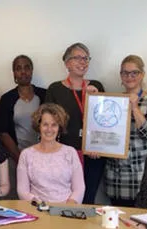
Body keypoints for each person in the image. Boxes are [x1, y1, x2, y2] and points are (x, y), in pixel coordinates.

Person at [45, 42, 105, 204]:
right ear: (66, 63)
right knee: (65, 198)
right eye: (77, 58)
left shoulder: (96, 86)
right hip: (64, 155)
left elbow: (105, 121)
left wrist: (97, 99)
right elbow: (47, 123)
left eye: (85, 58)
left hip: (93, 155)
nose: (82, 62)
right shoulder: (55, 89)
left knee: (87, 199)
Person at [105, 55, 147, 207]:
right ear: (120, 76)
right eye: (125, 73)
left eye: (134, 73)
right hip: (115, 176)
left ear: (142, 74)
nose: (129, 76)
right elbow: (105, 132)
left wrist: (135, 108)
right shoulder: (113, 100)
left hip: (140, 176)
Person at [0, 55, 46, 199]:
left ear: (32, 70)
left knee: (40, 199)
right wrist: (21, 158)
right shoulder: (7, 99)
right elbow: (3, 132)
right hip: (15, 158)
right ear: (14, 74)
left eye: (26, 67)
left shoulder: (45, 95)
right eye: (18, 68)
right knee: (16, 200)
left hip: (43, 158)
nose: (23, 71)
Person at [17, 103, 85, 203]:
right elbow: (22, 191)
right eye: (45, 124)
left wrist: (70, 206)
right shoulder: (26, 154)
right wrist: (38, 204)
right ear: (38, 126)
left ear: (59, 128)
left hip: (66, 211)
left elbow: (79, 188)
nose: (49, 129)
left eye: (54, 125)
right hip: (37, 209)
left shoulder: (70, 152)